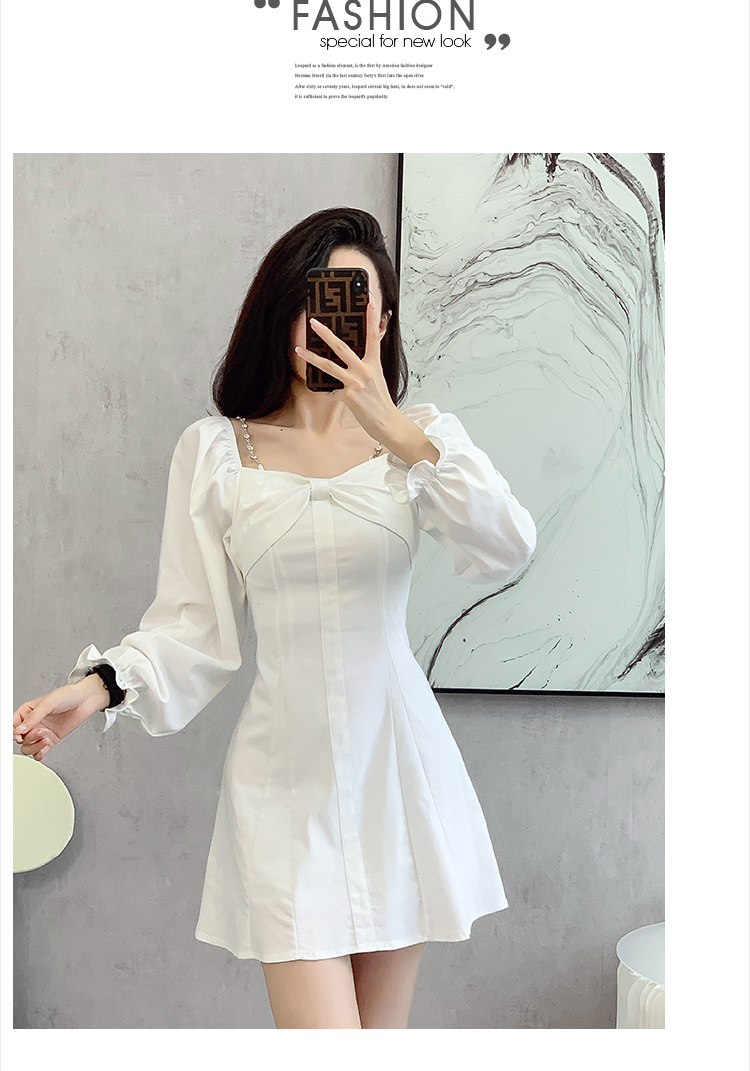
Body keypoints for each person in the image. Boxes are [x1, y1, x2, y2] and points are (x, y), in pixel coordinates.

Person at [13, 207, 537, 1029]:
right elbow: (192, 627)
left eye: (354, 303)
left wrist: (399, 433)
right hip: (283, 786)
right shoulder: (217, 452)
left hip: (399, 774)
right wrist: (99, 686)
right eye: (315, 300)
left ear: (382, 323)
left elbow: (508, 544)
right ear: (282, 312)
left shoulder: (423, 443)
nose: (331, 323)